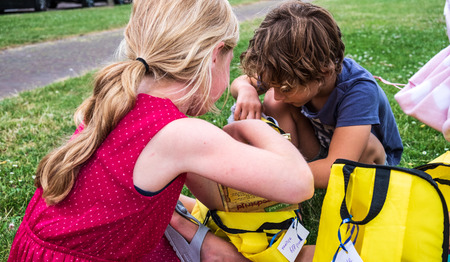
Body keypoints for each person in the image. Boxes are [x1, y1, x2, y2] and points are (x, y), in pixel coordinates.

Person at [8, 0, 314, 261]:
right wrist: (251, 126)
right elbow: (299, 184)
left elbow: (216, 198)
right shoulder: (181, 134)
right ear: (213, 56)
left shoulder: (120, 101)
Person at [230, 0, 403, 189]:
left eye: (285, 89)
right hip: (323, 148)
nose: (279, 94)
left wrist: (272, 175)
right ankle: (293, 170)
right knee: (273, 101)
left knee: (367, 145)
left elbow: (336, 168)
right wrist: (246, 91)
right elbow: (242, 82)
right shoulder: (293, 74)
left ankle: (291, 176)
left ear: (323, 72)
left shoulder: (358, 90)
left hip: (365, 161)